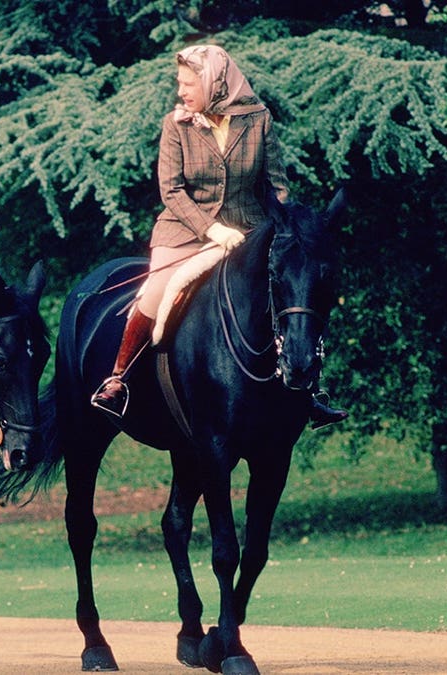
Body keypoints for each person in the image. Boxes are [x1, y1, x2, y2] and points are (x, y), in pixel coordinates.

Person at [90, 44, 347, 429]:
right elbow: (172, 191)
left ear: (214, 83)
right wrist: (211, 229)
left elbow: (277, 185)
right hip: (184, 232)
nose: (181, 91)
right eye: (180, 83)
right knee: (157, 290)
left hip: (249, 232)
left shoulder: (258, 119)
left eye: (188, 84)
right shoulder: (176, 125)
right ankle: (118, 378)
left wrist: (283, 224)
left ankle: (308, 391)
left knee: (293, 292)